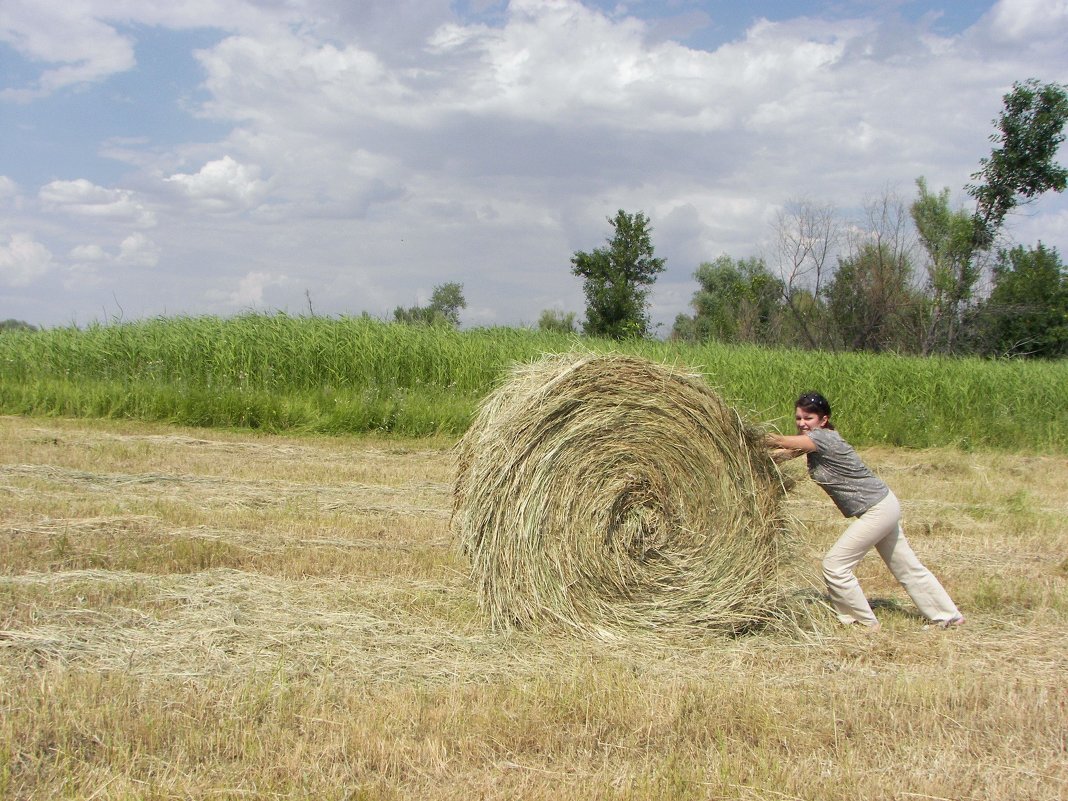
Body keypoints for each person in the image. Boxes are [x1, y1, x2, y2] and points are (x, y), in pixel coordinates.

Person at [766, 391, 964, 632]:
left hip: (877, 509)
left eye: (808, 418)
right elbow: (782, 454)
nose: (801, 423)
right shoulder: (812, 443)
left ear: (823, 419)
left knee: (835, 565)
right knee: (906, 566)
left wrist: (739, 435)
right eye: (798, 418)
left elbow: (781, 442)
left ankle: (862, 622)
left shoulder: (823, 438)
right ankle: (947, 615)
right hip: (882, 504)